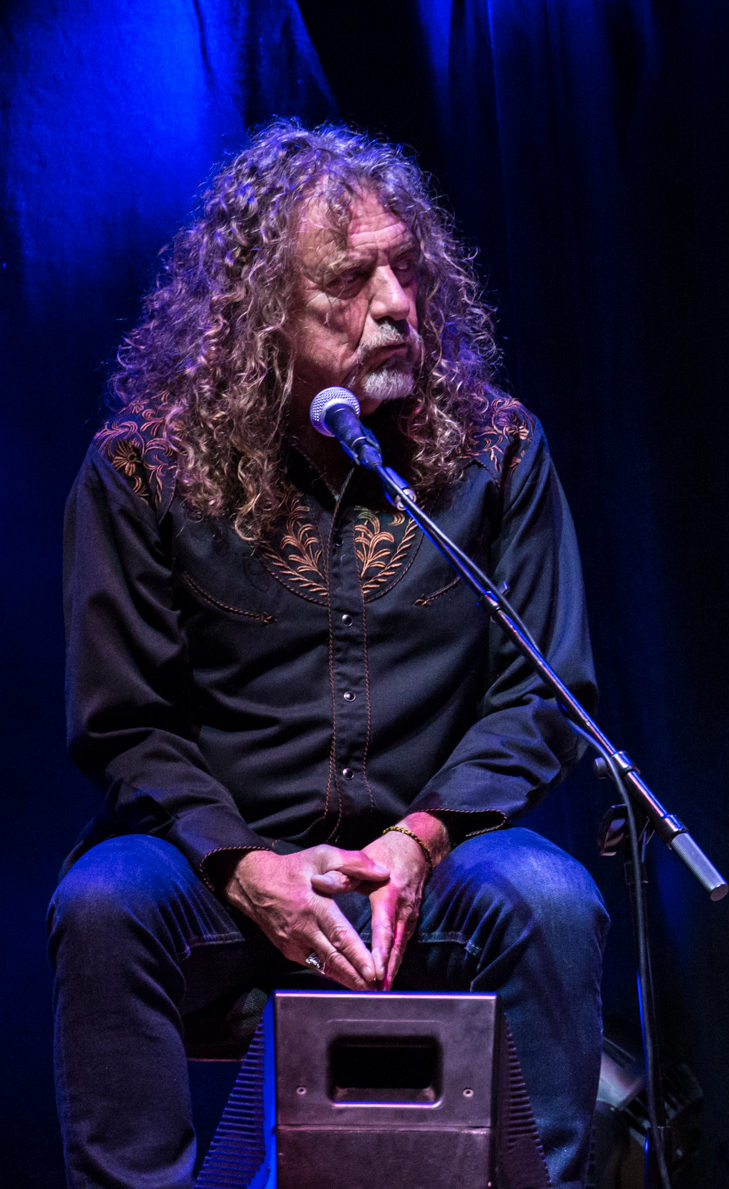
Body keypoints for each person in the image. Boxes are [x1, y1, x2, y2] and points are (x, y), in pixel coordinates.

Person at [47, 122, 608, 1189]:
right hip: (219, 876)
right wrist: (246, 865)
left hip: (427, 878)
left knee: (551, 897)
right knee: (102, 903)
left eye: (406, 269)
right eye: (351, 281)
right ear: (262, 313)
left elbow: (541, 695)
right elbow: (124, 719)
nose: (397, 304)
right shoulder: (143, 470)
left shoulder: (498, 452)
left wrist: (421, 840)